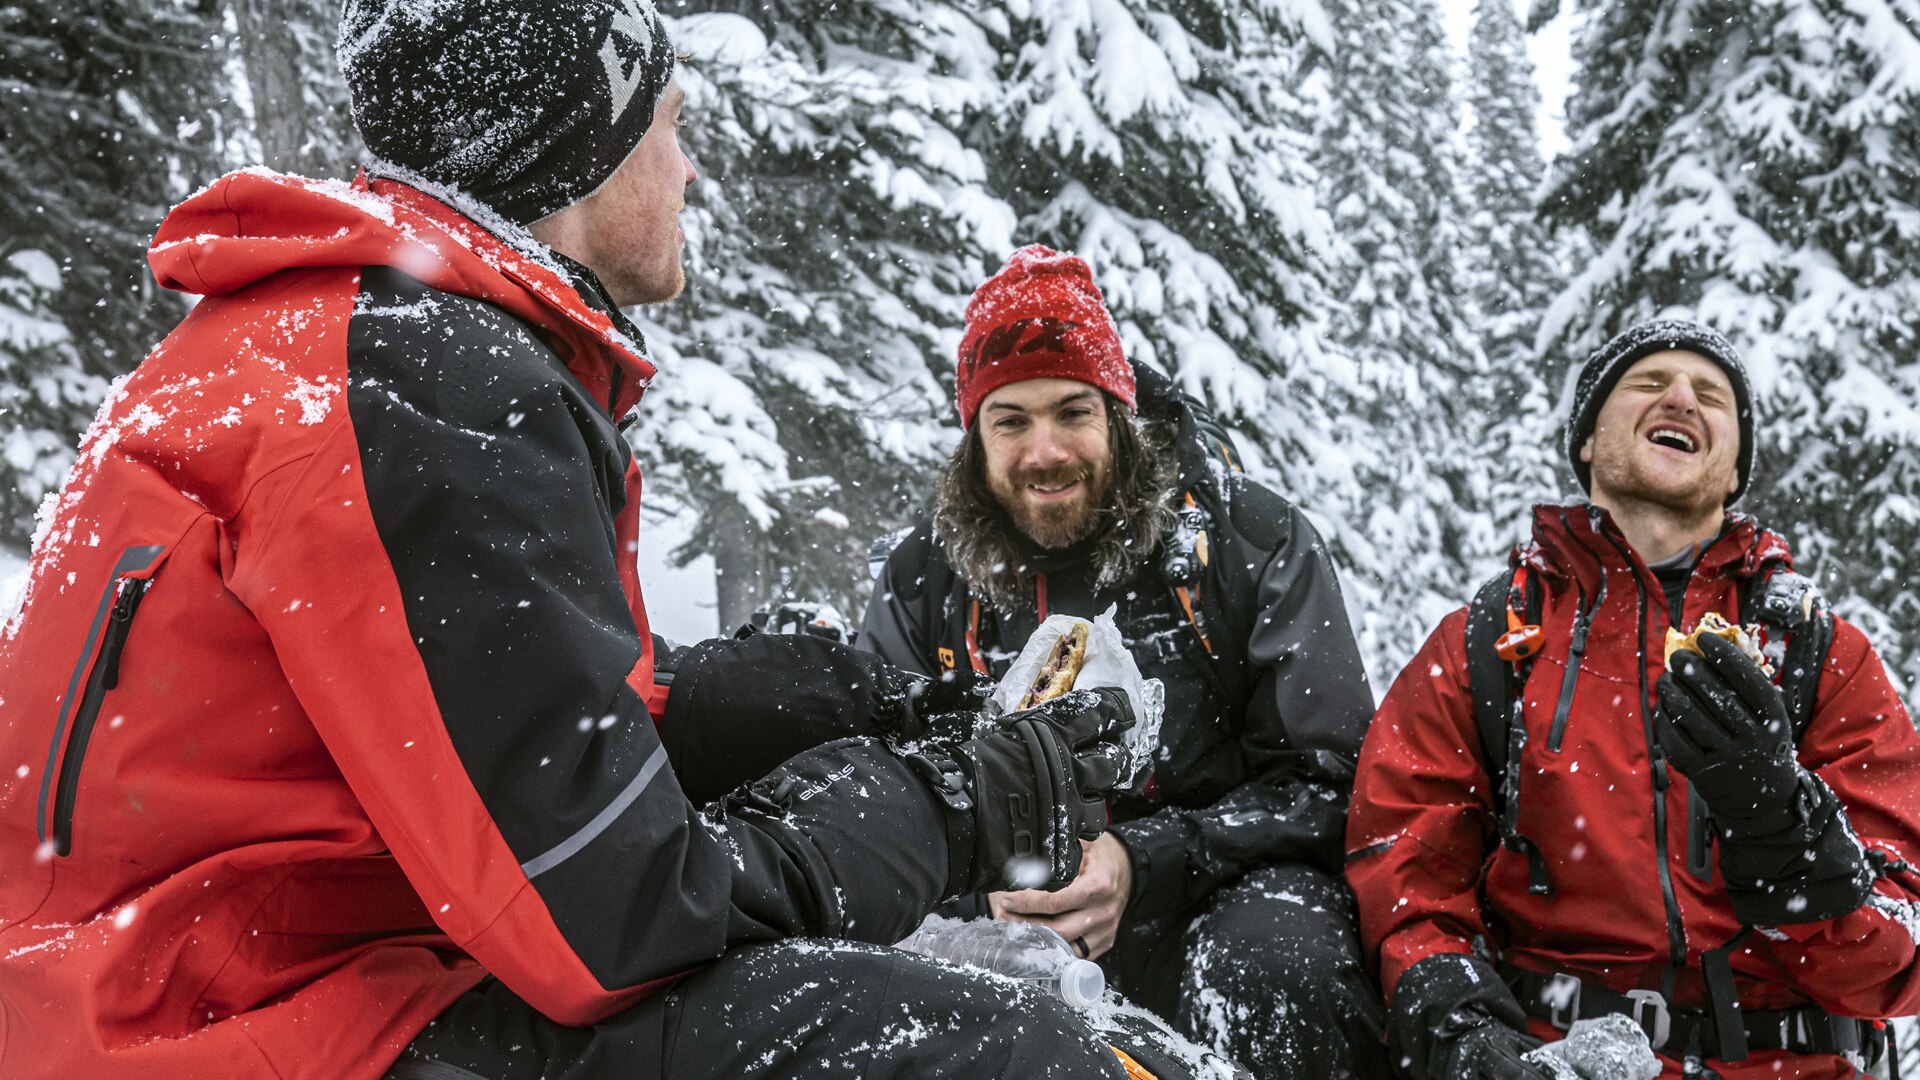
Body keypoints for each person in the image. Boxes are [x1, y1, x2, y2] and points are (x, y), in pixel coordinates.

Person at [0, 3, 1146, 1077]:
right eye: (673, 128)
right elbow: (623, 924)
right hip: (237, 1026)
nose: (688, 171)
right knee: (988, 1048)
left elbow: (478, 749)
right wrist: (946, 803)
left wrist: (805, 702)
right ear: (583, 141)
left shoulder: (332, 338)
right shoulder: (425, 388)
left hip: (155, 988)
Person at [860, 244, 1391, 1079]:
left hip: (1213, 891)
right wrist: (974, 900)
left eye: (1073, 411)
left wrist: (1144, 864)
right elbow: (875, 786)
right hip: (1000, 912)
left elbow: (1331, 780)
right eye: (1011, 420)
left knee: (1279, 964)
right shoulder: (926, 574)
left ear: (1119, 412)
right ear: (975, 436)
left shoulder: (1246, 541)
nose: (1046, 451)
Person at [1346, 319, 1920, 1079]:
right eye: (1649, 383)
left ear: (1734, 465)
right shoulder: (1490, 642)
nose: (1681, 396)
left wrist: (1781, 827)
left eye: (1711, 395)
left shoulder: (1818, 655)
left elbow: (1895, 957)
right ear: (1587, 440)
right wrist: (1463, 1029)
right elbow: (1404, 870)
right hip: (1552, 1059)